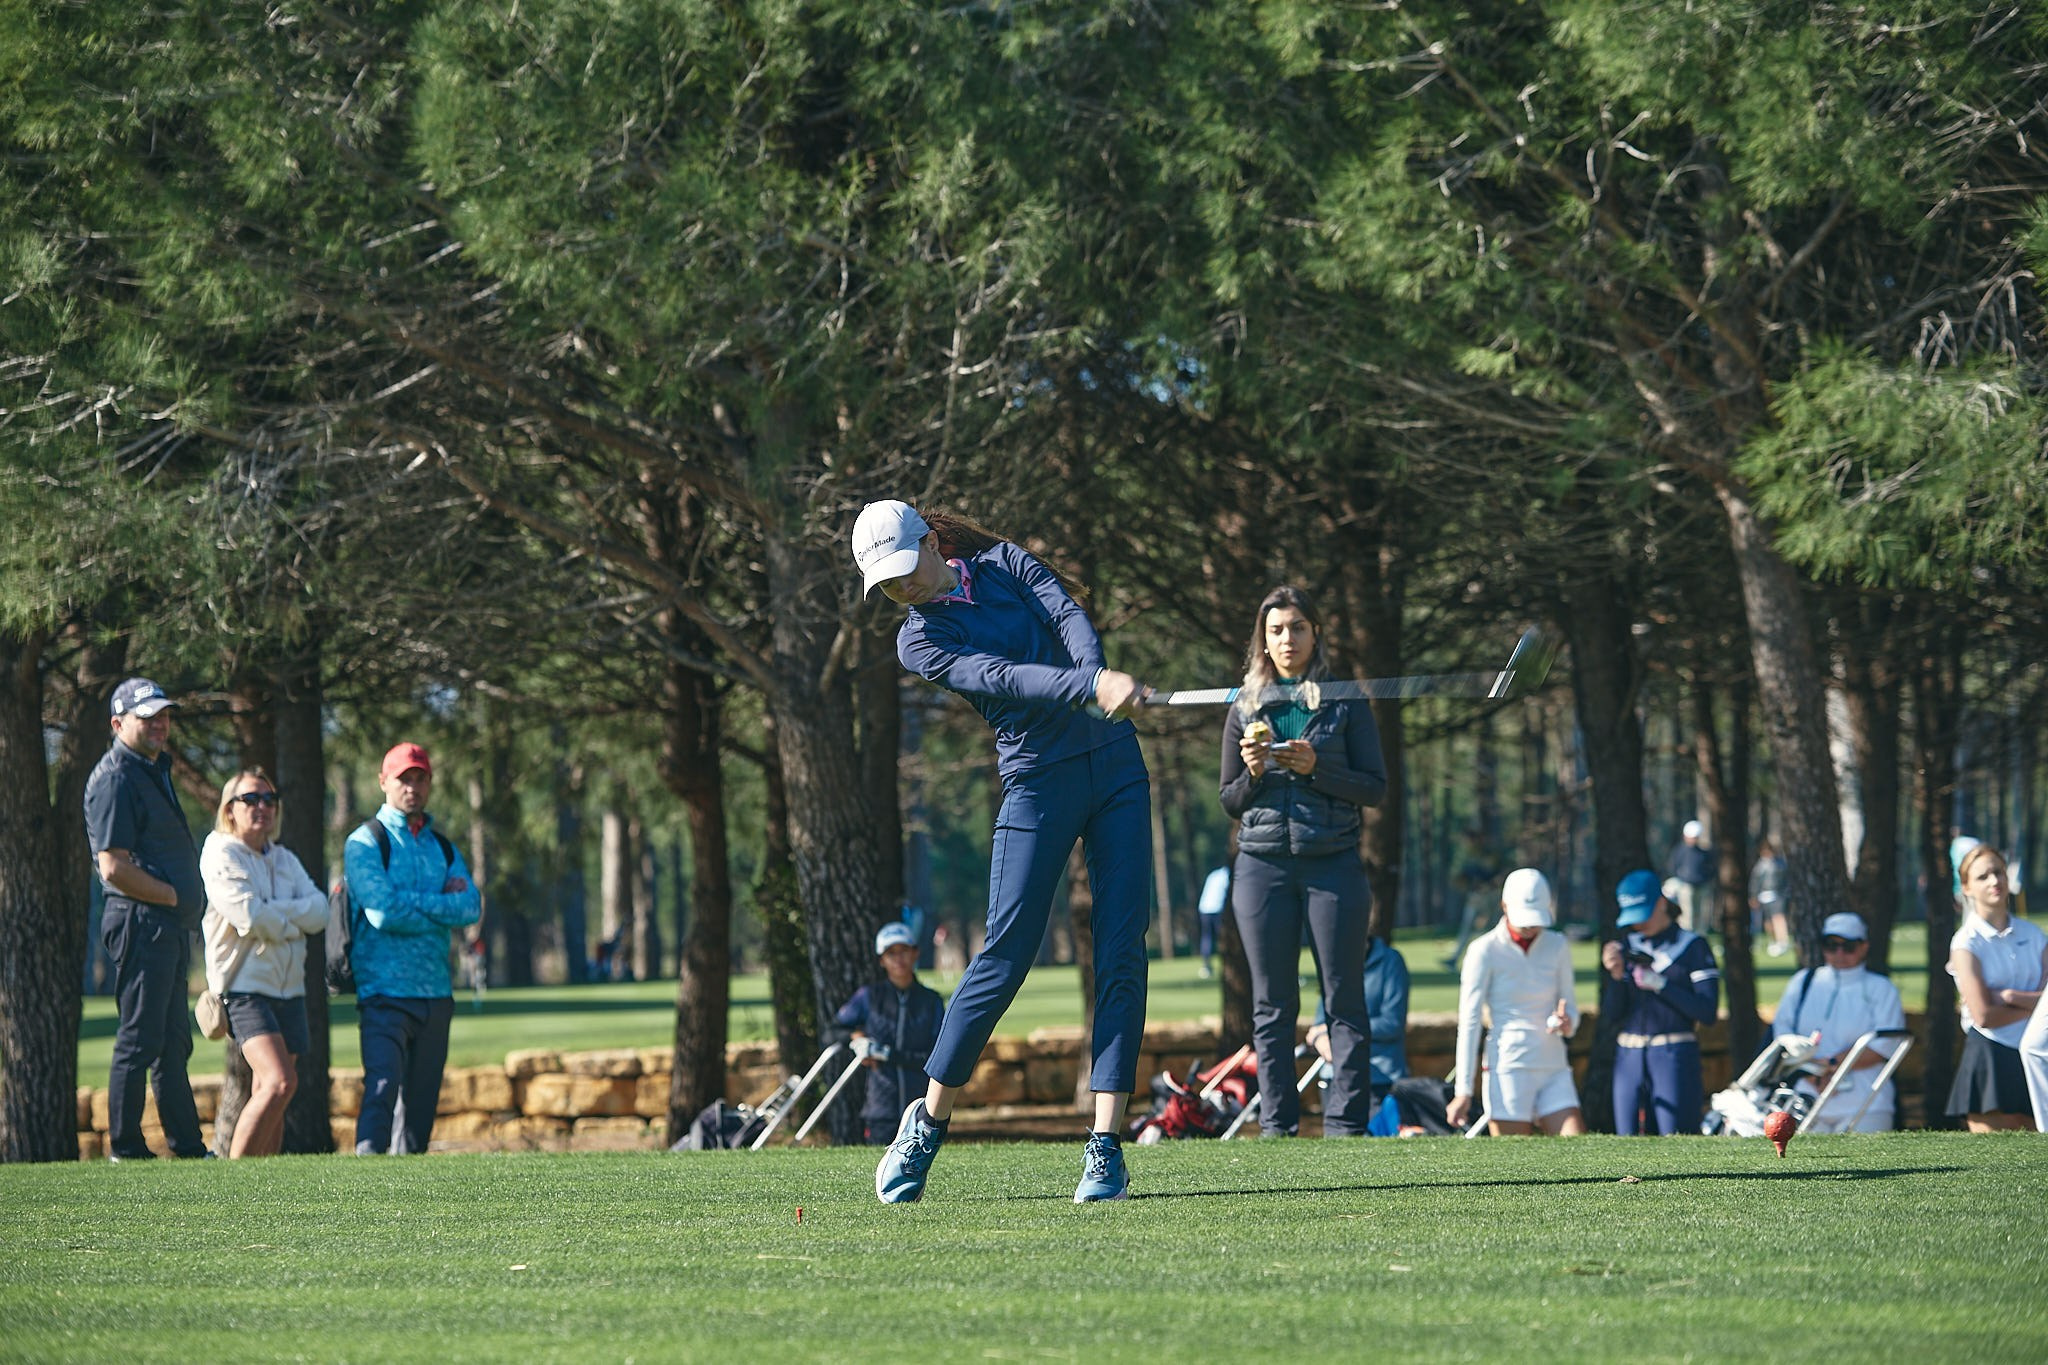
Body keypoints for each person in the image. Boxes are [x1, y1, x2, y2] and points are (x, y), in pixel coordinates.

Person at [854, 500, 1151, 1203]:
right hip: (1038, 780)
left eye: (904, 569)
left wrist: (1096, 675)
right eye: (886, 583)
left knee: (1120, 950)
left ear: (932, 542)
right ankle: (928, 1122)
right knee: (1006, 953)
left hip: (1114, 765)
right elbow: (1001, 677)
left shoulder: (1003, 563)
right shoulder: (919, 641)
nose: (901, 588)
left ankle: (1105, 1145)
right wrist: (1089, 686)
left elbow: (1066, 611)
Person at [1218, 585, 1387, 1139]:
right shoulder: (1245, 705)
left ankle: (1346, 1124)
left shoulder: (1344, 700)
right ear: (1263, 640)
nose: (1287, 639)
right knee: (1271, 1005)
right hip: (1261, 868)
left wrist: (1317, 769)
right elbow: (1230, 800)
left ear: (1316, 634)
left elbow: (1374, 788)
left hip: (1333, 864)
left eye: (1297, 627)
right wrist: (1255, 773)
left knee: (1344, 998)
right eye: (1276, 630)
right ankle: (1277, 1125)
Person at [82, 677, 209, 1161]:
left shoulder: (151, 769)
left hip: (165, 924)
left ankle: (188, 1146)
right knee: (139, 1038)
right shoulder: (116, 776)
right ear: (118, 725)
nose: (160, 724)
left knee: (173, 1042)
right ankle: (126, 1147)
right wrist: (173, 895)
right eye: (147, 717)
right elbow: (112, 866)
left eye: (164, 715)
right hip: (141, 920)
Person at [343, 741, 481, 1155]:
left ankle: (409, 1189)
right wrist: (440, 905)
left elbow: (470, 907)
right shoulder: (366, 842)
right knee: (381, 1090)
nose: (413, 787)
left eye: (421, 778)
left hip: (436, 993)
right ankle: (366, 1178)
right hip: (383, 992)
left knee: (420, 1110)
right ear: (383, 782)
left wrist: (411, 902)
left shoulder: (443, 847)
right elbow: (383, 913)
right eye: (404, 778)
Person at [199, 769, 328, 1157]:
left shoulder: (284, 858)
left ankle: (263, 1180)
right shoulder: (220, 852)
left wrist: (276, 912)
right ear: (230, 809)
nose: (262, 807)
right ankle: (235, 1177)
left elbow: (320, 911)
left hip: (289, 987)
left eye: (269, 799)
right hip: (244, 988)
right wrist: (291, 923)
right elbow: (248, 914)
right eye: (251, 799)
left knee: (270, 1090)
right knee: (279, 1082)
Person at [1447, 869, 1584, 1137]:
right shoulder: (1483, 950)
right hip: (1507, 1069)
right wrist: (1463, 1091)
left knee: (1578, 1147)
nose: (1531, 927)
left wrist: (1568, 1022)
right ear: (1504, 906)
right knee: (1514, 1156)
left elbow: (1570, 1006)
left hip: (1553, 1065)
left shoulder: (1557, 945)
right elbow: (1470, 1022)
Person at [1603, 869, 1720, 1135]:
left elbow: (1707, 1012)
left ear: (1661, 904)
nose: (1637, 924)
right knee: (1626, 1143)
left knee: (1676, 1139)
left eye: (1643, 914)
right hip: (1629, 1056)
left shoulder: (1693, 946)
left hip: (1673, 1055)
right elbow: (1613, 1014)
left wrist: (1662, 985)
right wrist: (1617, 977)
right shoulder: (1626, 947)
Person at [1772, 911, 1906, 1132]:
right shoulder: (1803, 982)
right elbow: (1783, 1033)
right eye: (1831, 945)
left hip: (1867, 1099)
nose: (1839, 953)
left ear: (1863, 947)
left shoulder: (1881, 988)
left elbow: (1885, 1045)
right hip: (1806, 1096)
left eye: (1848, 946)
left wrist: (1832, 1066)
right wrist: (1812, 1072)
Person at [1944, 843, 2045, 1132]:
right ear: (1966, 888)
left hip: (2039, 1050)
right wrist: (2036, 1007)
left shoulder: (2034, 935)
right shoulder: (1965, 942)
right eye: (1983, 876)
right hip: (1991, 1056)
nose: (1994, 881)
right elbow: (1985, 1015)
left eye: (1999, 872)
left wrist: (2010, 997)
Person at [835, 922, 946, 1144]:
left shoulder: (931, 1001)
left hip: (922, 1108)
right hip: (880, 1110)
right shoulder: (869, 996)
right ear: (881, 960)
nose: (898, 959)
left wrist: (886, 1054)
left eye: (904, 950)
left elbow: (936, 1055)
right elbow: (834, 1030)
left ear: (915, 953)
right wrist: (855, 1039)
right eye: (891, 953)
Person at [1307, 935, 1410, 1104]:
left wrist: (1337, 1029)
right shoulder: (1335, 961)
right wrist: (1321, 1039)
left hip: (1379, 1079)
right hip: (1334, 1075)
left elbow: (1392, 1024)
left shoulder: (1390, 961)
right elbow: (1319, 1023)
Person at [1667, 819, 1714, 929]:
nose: (1693, 839)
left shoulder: (1704, 852)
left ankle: (1700, 935)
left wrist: (1706, 879)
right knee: (1687, 915)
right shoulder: (1680, 850)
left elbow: (1711, 869)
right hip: (1685, 887)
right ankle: (1687, 934)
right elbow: (1673, 867)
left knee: (1701, 915)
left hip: (1702, 886)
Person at [1749, 837, 1791, 957]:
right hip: (1764, 896)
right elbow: (1754, 881)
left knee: (1778, 918)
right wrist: (1753, 895)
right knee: (1768, 921)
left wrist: (1785, 893)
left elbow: (1785, 880)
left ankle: (1783, 941)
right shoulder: (1760, 866)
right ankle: (1773, 940)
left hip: (1778, 895)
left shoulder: (1780, 864)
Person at [1196, 866, 1229, 980]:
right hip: (1218, 909)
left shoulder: (1213, 874)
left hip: (1204, 909)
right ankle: (1227, 965)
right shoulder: (1228, 875)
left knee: (1207, 938)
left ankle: (1206, 967)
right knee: (1223, 938)